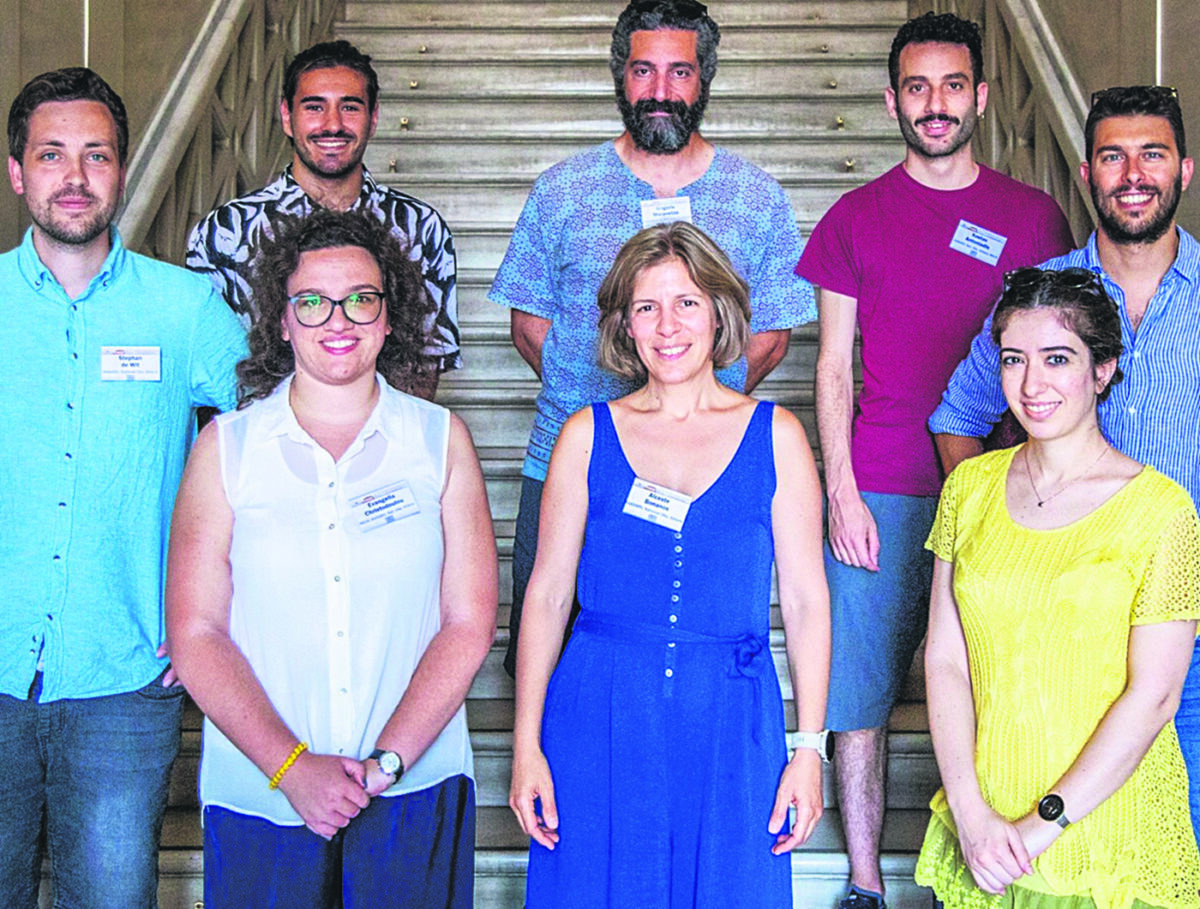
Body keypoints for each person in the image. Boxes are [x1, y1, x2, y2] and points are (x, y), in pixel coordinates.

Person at [792, 13, 1074, 907]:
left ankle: (993, 870)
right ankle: (865, 880)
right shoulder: (853, 218)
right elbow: (833, 367)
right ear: (892, 102)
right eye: (918, 88)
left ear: (981, 97)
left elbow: (1061, 353)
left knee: (999, 687)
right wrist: (839, 490)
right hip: (880, 484)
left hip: (1004, 489)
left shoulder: (1032, 217)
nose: (936, 104)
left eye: (953, 86)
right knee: (859, 695)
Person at [165, 210, 497, 908]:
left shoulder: (439, 440)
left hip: (414, 785)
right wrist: (292, 769)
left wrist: (386, 762)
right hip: (262, 792)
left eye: (361, 299)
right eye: (312, 301)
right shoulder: (227, 448)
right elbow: (196, 633)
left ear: (388, 316)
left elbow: (468, 622)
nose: (337, 319)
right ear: (282, 321)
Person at [509, 222, 831, 907]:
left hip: (730, 715)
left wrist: (810, 747)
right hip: (600, 709)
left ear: (719, 312)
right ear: (624, 325)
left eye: (686, 302)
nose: (667, 325)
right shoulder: (584, 435)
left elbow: (806, 600)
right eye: (646, 307)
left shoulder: (777, 435)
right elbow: (546, 596)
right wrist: (525, 744)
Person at [491, 0, 815, 677]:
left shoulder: (757, 196)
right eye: (643, 70)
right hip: (567, 466)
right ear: (621, 75)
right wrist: (604, 418)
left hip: (707, 473)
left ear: (704, 79)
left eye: (680, 72)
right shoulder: (562, 190)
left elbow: (772, 333)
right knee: (549, 657)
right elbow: (529, 324)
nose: (660, 90)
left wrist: (691, 414)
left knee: (683, 657)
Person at [0, 68, 246, 907]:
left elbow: (267, 454)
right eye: (51, 154)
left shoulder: (187, 308)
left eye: (96, 154)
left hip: (127, 676)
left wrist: (213, 611)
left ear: (122, 169)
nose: (75, 176)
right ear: (17, 172)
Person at [930, 84, 1200, 845]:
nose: (1133, 175)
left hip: (1189, 633)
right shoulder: (1042, 301)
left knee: (1172, 847)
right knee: (1050, 842)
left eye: (1153, 155)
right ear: (1086, 174)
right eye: (1112, 157)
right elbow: (958, 416)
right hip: (1057, 639)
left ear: (1185, 171)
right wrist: (993, 530)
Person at [918, 266, 1200, 908]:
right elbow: (946, 660)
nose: (1031, 384)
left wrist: (1041, 826)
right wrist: (971, 814)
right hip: (983, 832)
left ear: (1102, 370)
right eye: (1013, 359)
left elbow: (1154, 697)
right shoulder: (969, 489)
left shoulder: (1162, 511)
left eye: (1057, 359)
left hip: (1107, 841)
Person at [186, 39, 458, 400]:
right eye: (314, 107)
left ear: (374, 118)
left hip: (383, 432)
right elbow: (206, 370)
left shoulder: (419, 227)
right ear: (287, 116)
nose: (333, 124)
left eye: (350, 107)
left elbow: (424, 367)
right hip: (256, 431)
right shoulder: (224, 232)